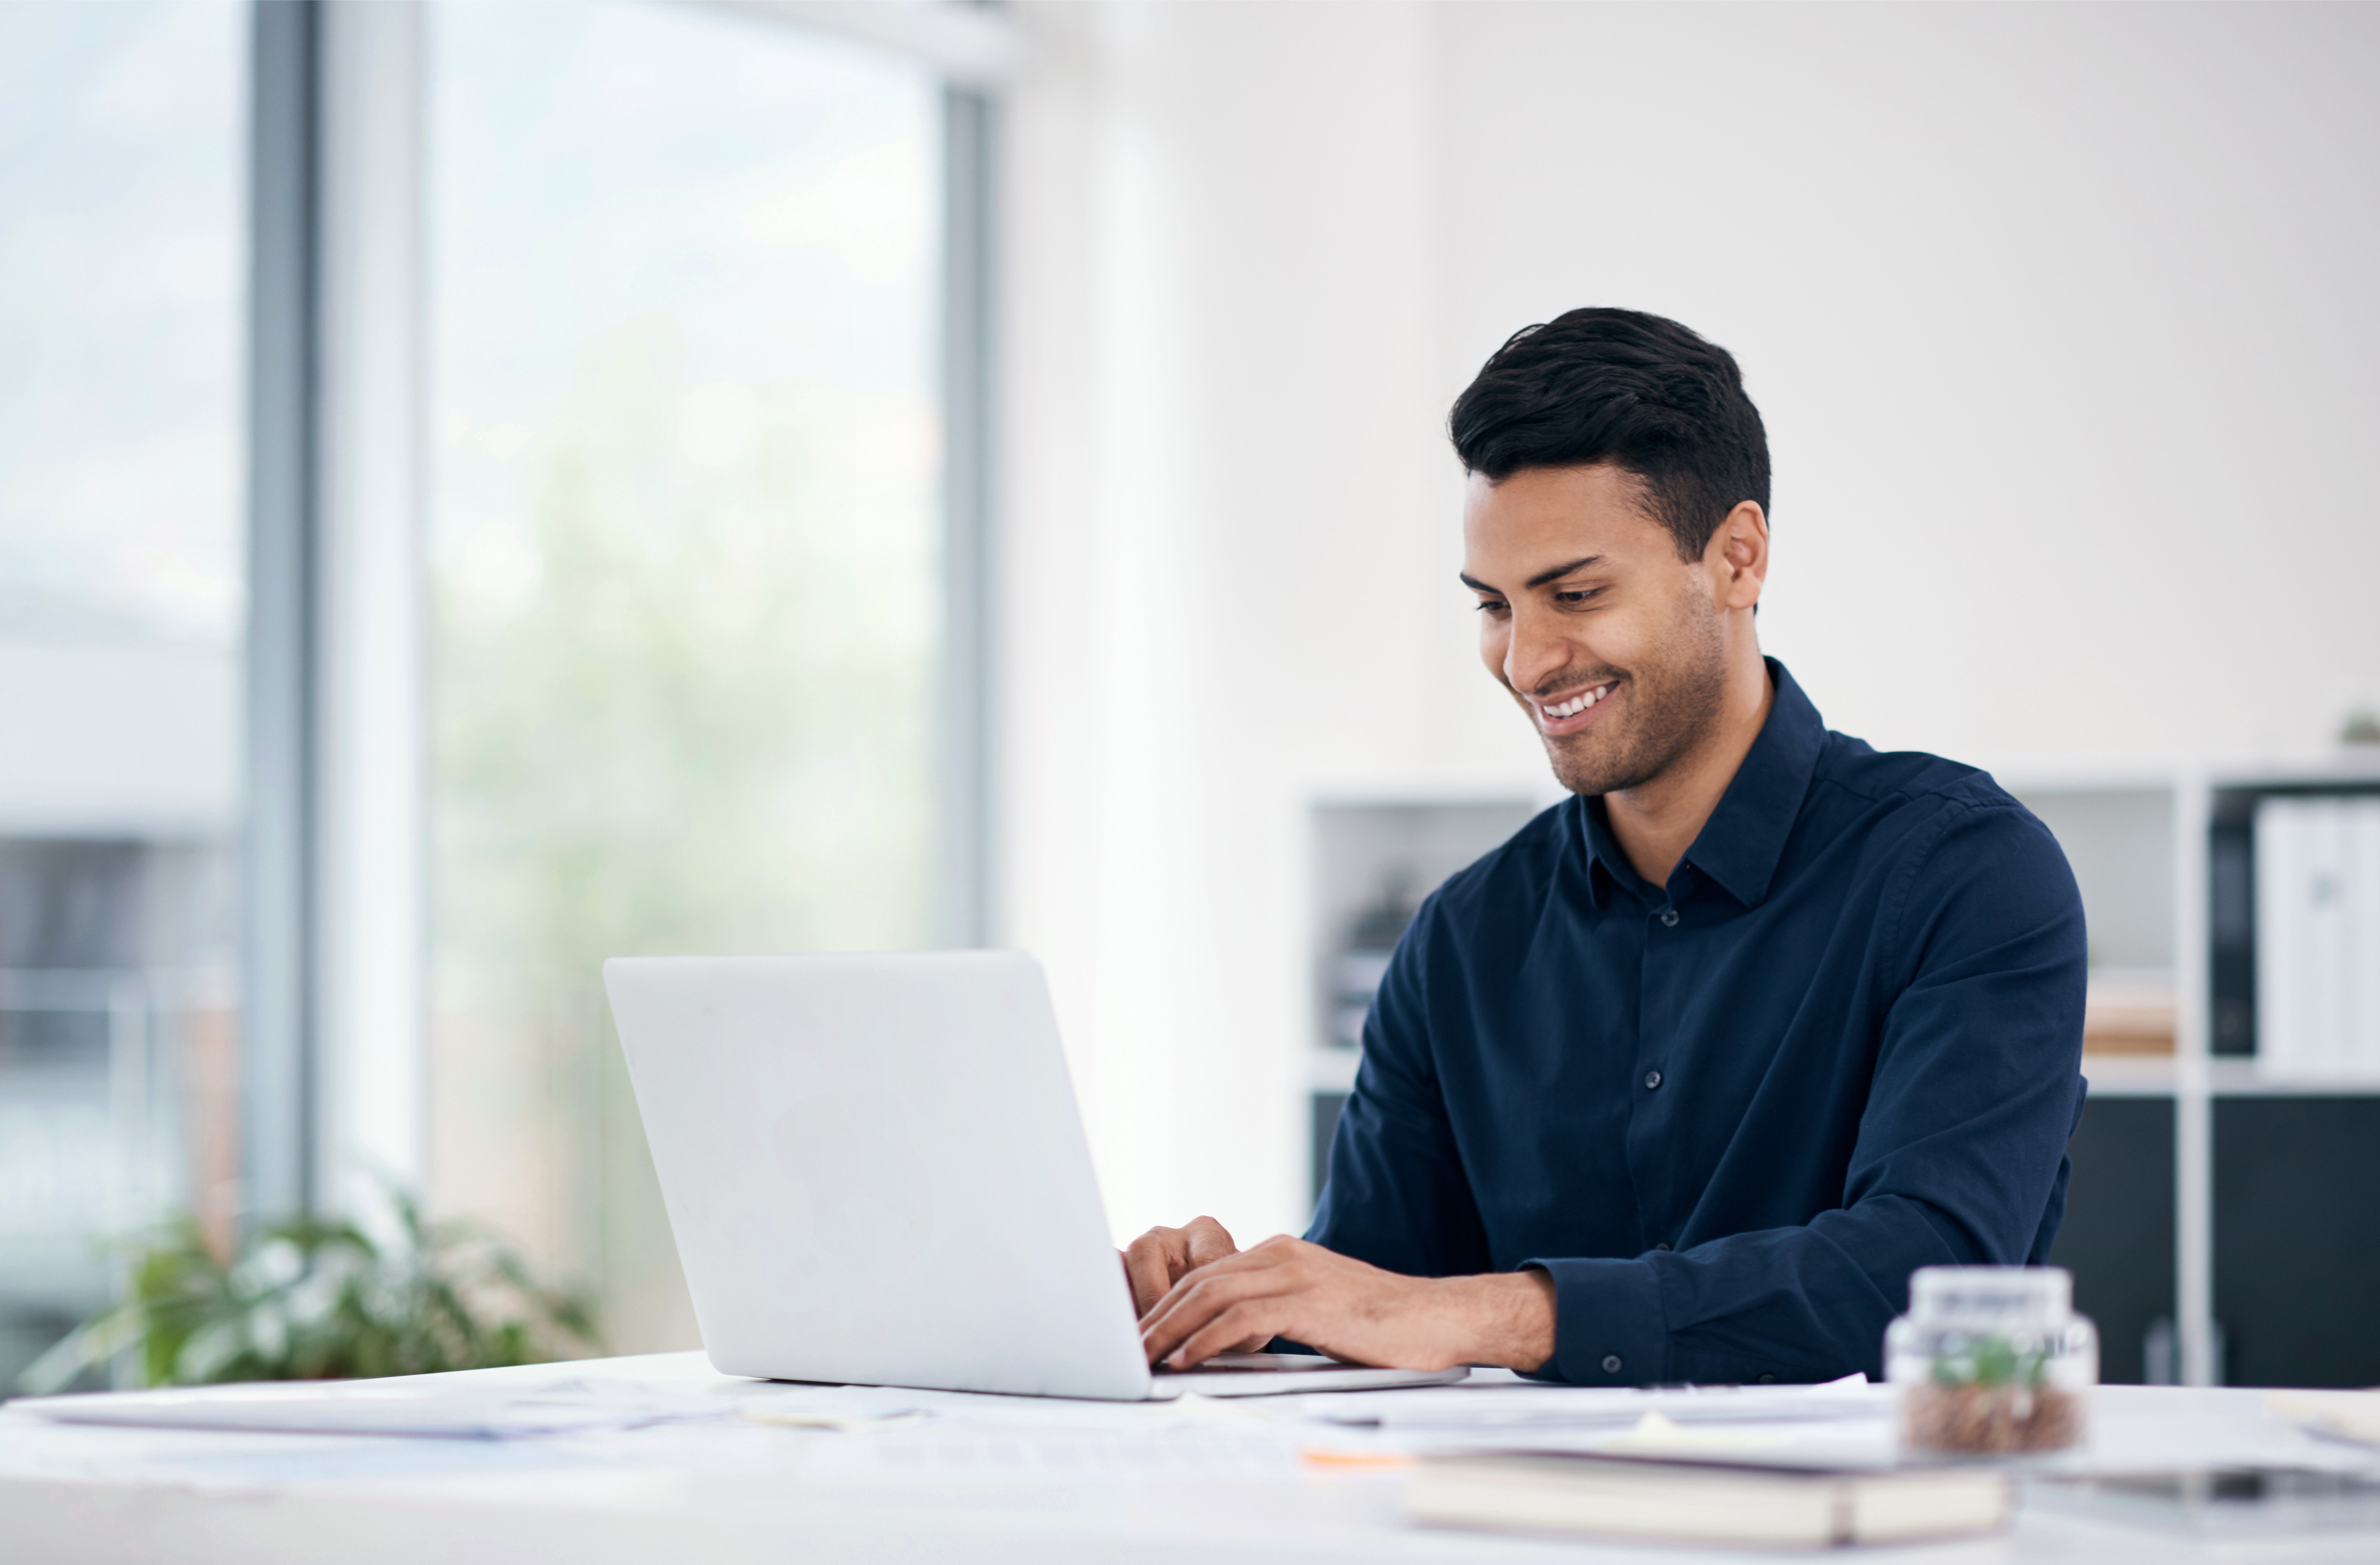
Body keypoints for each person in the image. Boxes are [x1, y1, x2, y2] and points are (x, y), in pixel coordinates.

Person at [1127, 308, 2088, 1386]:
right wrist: (1229, 1308)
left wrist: (1517, 1312)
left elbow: (1929, 1276)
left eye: (1576, 595)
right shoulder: (1460, 941)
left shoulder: (1966, 874)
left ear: (1736, 558)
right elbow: (1380, 1297)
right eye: (1494, 606)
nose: (1528, 659)